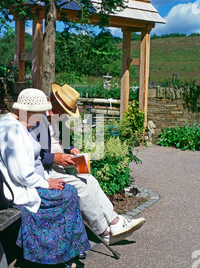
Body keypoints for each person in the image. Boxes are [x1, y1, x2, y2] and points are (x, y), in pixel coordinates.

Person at [0, 88, 90, 268]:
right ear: (29, 111)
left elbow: (31, 164)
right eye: (40, 114)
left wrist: (46, 178)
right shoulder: (13, 131)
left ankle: (67, 251)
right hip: (15, 189)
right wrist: (46, 183)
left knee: (68, 191)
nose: (41, 119)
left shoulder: (17, 125)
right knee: (67, 196)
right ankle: (51, 257)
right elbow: (21, 174)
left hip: (24, 183)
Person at [31, 83, 146, 245]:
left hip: (62, 164)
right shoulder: (36, 119)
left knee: (90, 179)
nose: (63, 114)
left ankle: (115, 222)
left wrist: (72, 150)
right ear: (52, 101)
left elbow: (66, 143)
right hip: (46, 170)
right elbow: (32, 153)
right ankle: (104, 232)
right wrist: (54, 158)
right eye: (61, 110)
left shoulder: (60, 119)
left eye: (66, 111)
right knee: (82, 188)